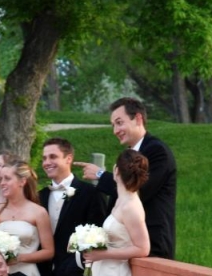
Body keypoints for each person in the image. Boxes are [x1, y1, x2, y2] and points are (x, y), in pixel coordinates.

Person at [74, 97, 176, 259]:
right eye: (113, 125)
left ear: (138, 119)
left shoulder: (157, 151)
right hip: (124, 243)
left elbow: (139, 189)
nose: (115, 130)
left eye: (119, 123)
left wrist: (100, 175)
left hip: (151, 240)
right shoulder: (130, 154)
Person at [38, 138, 107, 276]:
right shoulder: (40, 196)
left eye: (53, 157)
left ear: (69, 158)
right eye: (44, 158)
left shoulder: (89, 193)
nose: (47, 162)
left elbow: (99, 233)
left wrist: (77, 266)